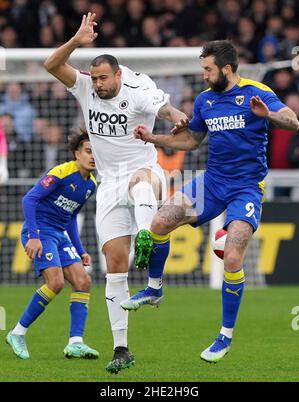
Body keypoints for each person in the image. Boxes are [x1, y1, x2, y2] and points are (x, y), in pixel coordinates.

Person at [121, 40, 299, 363]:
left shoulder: (256, 92)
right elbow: (192, 139)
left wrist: (268, 114)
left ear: (227, 69)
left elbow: (293, 121)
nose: (203, 75)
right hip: (212, 182)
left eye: (208, 69)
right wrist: (154, 138)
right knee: (160, 221)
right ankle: (154, 288)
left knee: (232, 256)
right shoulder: (205, 101)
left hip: (245, 187)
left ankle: (224, 337)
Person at [43, 12, 187, 374]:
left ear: (119, 75)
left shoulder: (138, 89)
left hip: (145, 172)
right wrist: (76, 40)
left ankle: (146, 235)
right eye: (95, 79)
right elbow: (50, 64)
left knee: (141, 181)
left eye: (105, 78)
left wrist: (177, 116)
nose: (99, 85)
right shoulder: (85, 86)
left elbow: (164, 108)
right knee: (115, 270)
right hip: (108, 185)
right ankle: (121, 348)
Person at [6, 130, 99, 360]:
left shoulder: (91, 185)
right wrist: (35, 236)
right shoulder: (61, 172)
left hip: (59, 234)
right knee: (55, 282)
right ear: (77, 154)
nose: (92, 156)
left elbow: (70, 219)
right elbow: (29, 199)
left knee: (83, 281)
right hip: (40, 231)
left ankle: (75, 343)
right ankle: (17, 333)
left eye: (95, 152)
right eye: (88, 151)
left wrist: (80, 250)